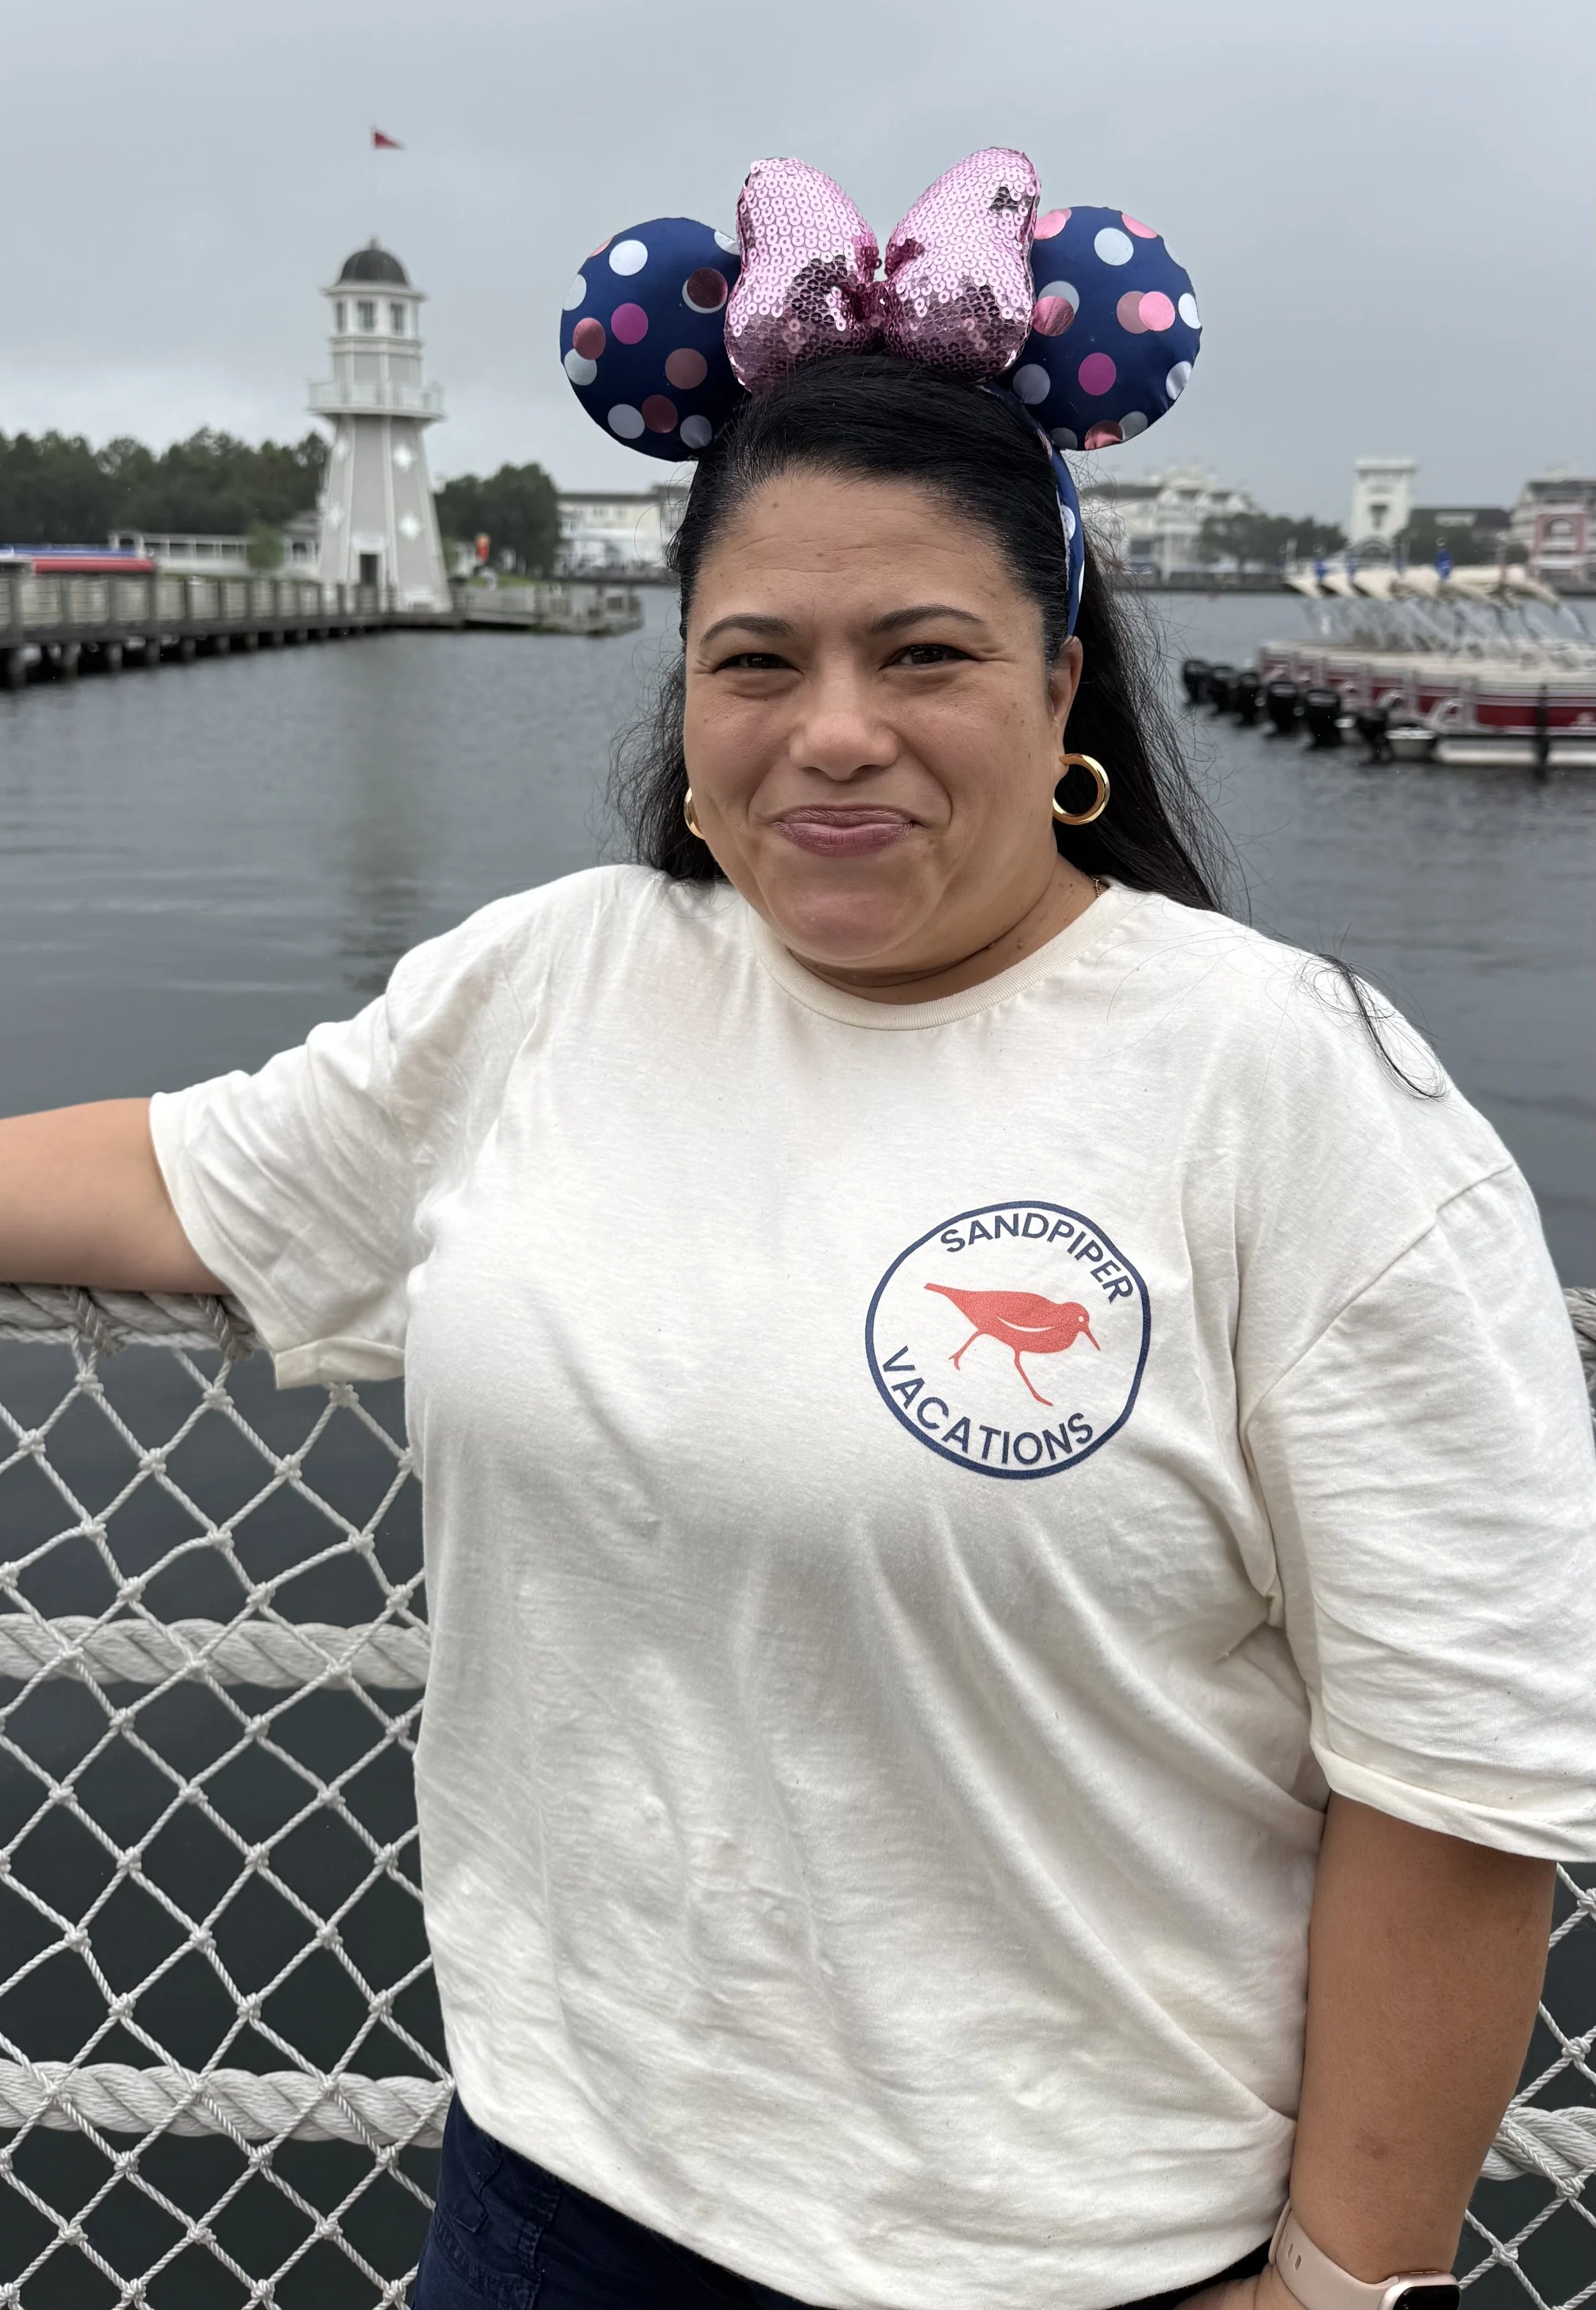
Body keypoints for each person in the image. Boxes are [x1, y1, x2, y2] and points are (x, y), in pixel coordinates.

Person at [3, 153, 1593, 2310]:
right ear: (687, 693)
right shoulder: (553, 983)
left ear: (1063, 685)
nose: (831, 730)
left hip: (1070, 2256)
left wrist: (1333, 2284)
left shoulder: (1289, 1086)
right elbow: (187, 1179)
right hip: (553, 2186)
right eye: (757, 657)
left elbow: (1462, 1769)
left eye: (921, 650)